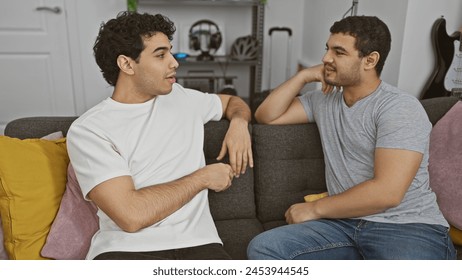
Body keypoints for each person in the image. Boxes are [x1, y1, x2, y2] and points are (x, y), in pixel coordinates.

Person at [248, 15, 456, 260]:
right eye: (327, 49)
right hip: (341, 225)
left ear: (370, 60)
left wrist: (314, 209)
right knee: (264, 249)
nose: (326, 58)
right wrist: (304, 76)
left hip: (406, 226)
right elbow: (266, 116)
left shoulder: (399, 108)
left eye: (339, 52)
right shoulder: (324, 101)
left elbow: (387, 193)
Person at [66, 11, 253, 260]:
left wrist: (239, 123)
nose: (174, 63)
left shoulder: (183, 98)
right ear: (127, 64)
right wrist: (202, 178)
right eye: (161, 55)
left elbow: (232, 102)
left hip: (200, 245)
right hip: (125, 250)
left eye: (170, 52)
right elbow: (131, 216)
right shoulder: (89, 130)